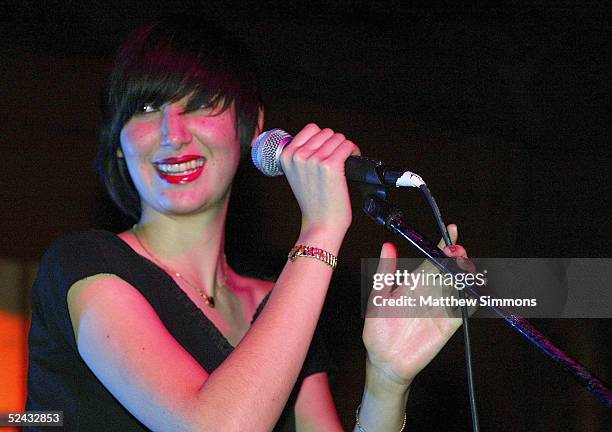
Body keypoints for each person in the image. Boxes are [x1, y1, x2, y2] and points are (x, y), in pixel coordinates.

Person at [26, 16, 470, 431]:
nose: (172, 133)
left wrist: (386, 382)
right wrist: (320, 230)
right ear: (118, 141)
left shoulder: (280, 304)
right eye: (145, 107)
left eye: (199, 103)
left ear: (251, 127)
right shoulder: (84, 266)